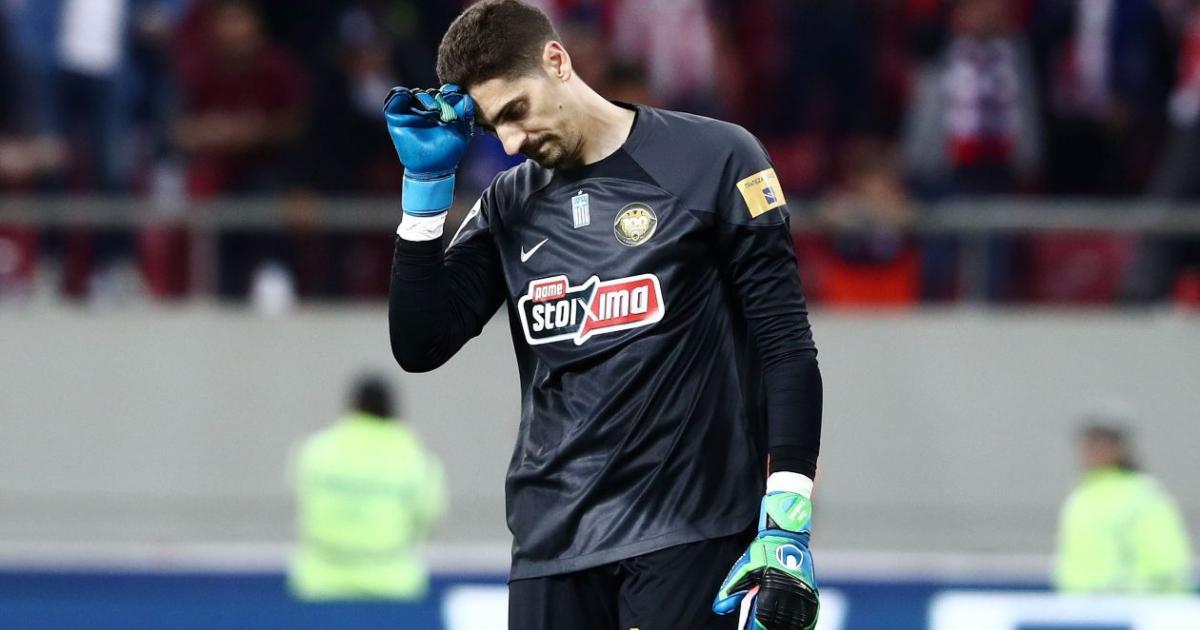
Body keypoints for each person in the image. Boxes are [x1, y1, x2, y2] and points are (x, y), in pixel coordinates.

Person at [384, 2, 823, 628]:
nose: (510, 142)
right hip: (549, 548)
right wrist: (424, 196)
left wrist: (788, 519)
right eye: (491, 127)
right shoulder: (509, 204)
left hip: (687, 532)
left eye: (515, 110)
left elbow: (786, 345)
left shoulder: (717, 159)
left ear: (556, 61)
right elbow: (419, 344)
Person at [288, 375, 446, 601]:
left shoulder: (315, 452)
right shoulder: (414, 458)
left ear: (352, 407)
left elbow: (301, 501)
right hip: (392, 586)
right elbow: (429, 516)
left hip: (321, 586)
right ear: (392, 411)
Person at [1054, 413, 1194, 594]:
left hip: (1129, 607)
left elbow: (1168, 566)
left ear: (1121, 448)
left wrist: (1124, 594)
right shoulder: (1080, 497)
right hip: (1080, 608)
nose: (1094, 450)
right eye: (1090, 442)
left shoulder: (1143, 496)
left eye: (1103, 442)